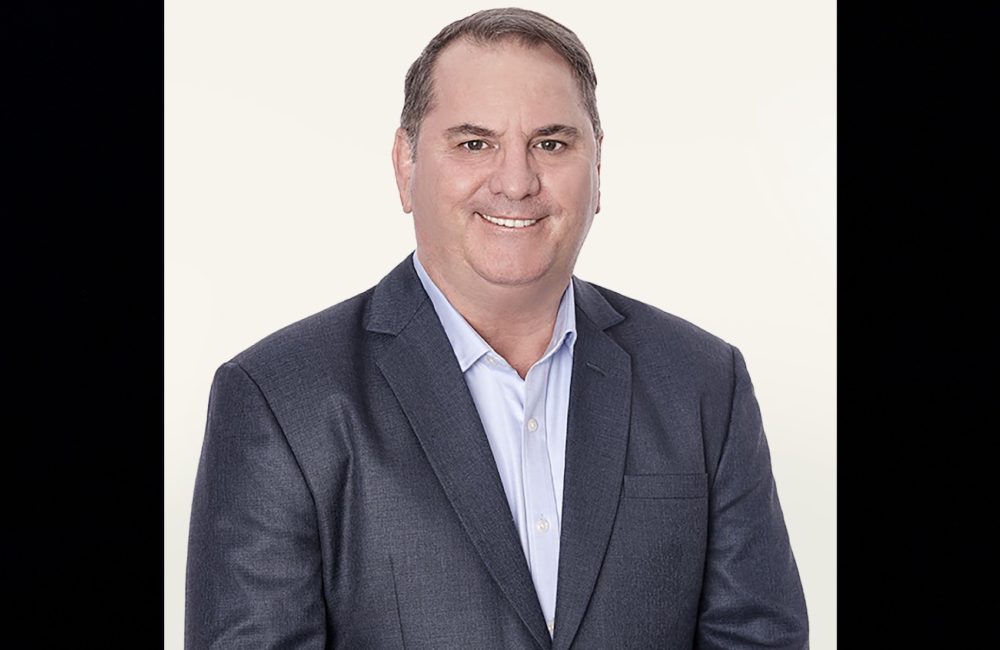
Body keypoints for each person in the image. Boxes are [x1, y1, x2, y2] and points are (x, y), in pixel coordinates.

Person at [185, 7, 808, 649]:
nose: (516, 182)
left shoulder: (702, 382)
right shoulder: (278, 399)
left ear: (598, 168)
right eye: (474, 143)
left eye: (551, 144)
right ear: (405, 165)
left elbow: (758, 638)